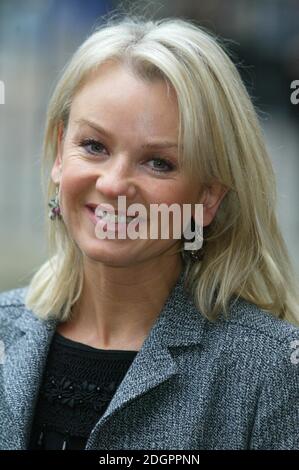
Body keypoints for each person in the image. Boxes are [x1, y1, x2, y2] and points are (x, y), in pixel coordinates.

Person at [0, 15, 298, 451]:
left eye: (158, 162)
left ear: (209, 196)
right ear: (60, 152)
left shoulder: (273, 371)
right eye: (94, 146)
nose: (115, 184)